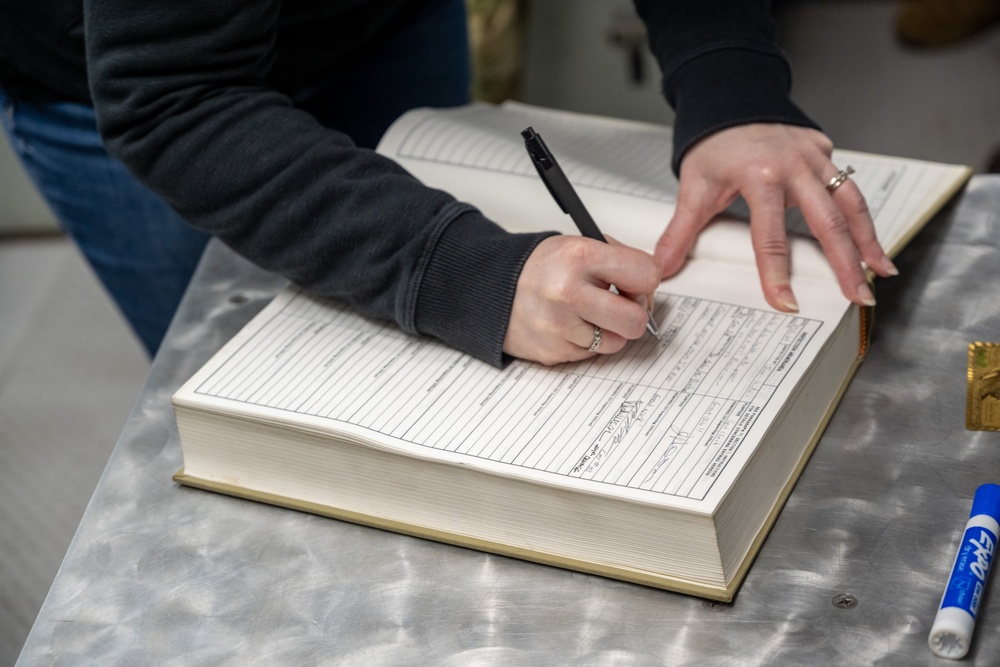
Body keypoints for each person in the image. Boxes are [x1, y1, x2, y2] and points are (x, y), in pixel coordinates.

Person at [0, 0, 896, 367]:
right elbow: (172, 96)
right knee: (274, 391)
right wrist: (459, 268)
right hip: (128, 85)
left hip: (381, 22)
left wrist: (730, 83)